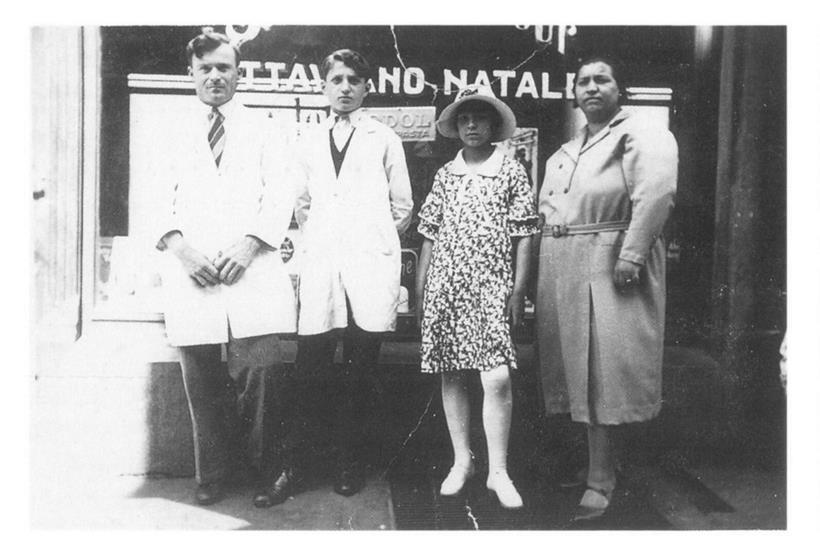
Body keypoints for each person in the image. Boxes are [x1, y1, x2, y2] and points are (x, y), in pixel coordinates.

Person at [153, 29, 296, 508]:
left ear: (239, 72)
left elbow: (282, 194)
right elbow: (153, 197)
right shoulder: (169, 128)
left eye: (224, 67)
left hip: (251, 269)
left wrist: (250, 243)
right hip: (192, 271)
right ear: (190, 73)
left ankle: (269, 472)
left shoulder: (267, 127)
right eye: (206, 68)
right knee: (203, 381)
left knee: (262, 375)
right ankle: (213, 473)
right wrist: (181, 249)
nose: (216, 76)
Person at [535, 55, 678, 521]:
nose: (592, 87)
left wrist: (632, 255)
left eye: (603, 79)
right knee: (575, 372)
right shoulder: (567, 149)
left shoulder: (641, 134)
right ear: (573, 93)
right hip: (564, 264)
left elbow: (655, 194)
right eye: (583, 82)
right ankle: (594, 465)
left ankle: (602, 480)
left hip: (609, 258)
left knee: (604, 373)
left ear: (621, 89)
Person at [279, 49, 413, 499]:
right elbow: (302, 204)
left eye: (354, 79)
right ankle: (298, 467)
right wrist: (327, 238)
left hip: (367, 268)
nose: (345, 87)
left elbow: (402, 207)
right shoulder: (307, 140)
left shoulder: (384, 138)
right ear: (323, 87)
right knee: (310, 367)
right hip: (322, 264)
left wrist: (366, 243)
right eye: (336, 79)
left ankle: (348, 463)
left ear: (366, 87)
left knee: (360, 371)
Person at [415, 85, 538, 509]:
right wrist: (422, 287)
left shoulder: (510, 171)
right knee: (452, 372)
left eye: (479, 118)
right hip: (447, 286)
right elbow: (429, 234)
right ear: (457, 125)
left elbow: (524, 234)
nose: (471, 125)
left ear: (492, 125)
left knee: (496, 376)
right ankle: (461, 461)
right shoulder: (446, 175)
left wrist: (518, 290)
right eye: (465, 119)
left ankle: (498, 470)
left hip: (491, 286)